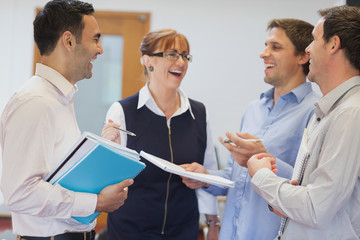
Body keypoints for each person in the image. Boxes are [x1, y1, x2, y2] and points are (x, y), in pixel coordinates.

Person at [0, 1, 133, 239]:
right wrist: (96, 202)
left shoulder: (59, 98)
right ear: (69, 41)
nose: (100, 49)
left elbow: (56, 173)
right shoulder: (36, 101)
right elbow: (20, 193)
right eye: (95, 39)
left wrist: (99, 149)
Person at [181, 19, 320, 239]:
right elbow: (236, 177)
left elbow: (312, 189)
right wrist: (206, 178)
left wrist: (263, 159)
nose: (263, 54)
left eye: (275, 47)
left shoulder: (315, 112)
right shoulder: (253, 109)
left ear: (303, 56)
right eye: (266, 45)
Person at [247, 6, 360, 239]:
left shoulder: (351, 113)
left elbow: (316, 209)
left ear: (333, 44)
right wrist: (284, 197)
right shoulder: (328, 111)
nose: (308, 50)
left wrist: (262, 177)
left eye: (314, 40)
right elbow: (315, 197)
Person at [104, 28, 219, 240]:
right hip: (129, 231)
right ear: (148, 61)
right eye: (172, 54)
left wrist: (213, 223)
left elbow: (208, 173)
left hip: (183, 231)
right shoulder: (122, 111)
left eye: (185, 56)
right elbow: (109, 180)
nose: (181, 62)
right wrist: (104, 150)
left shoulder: (199, 113)